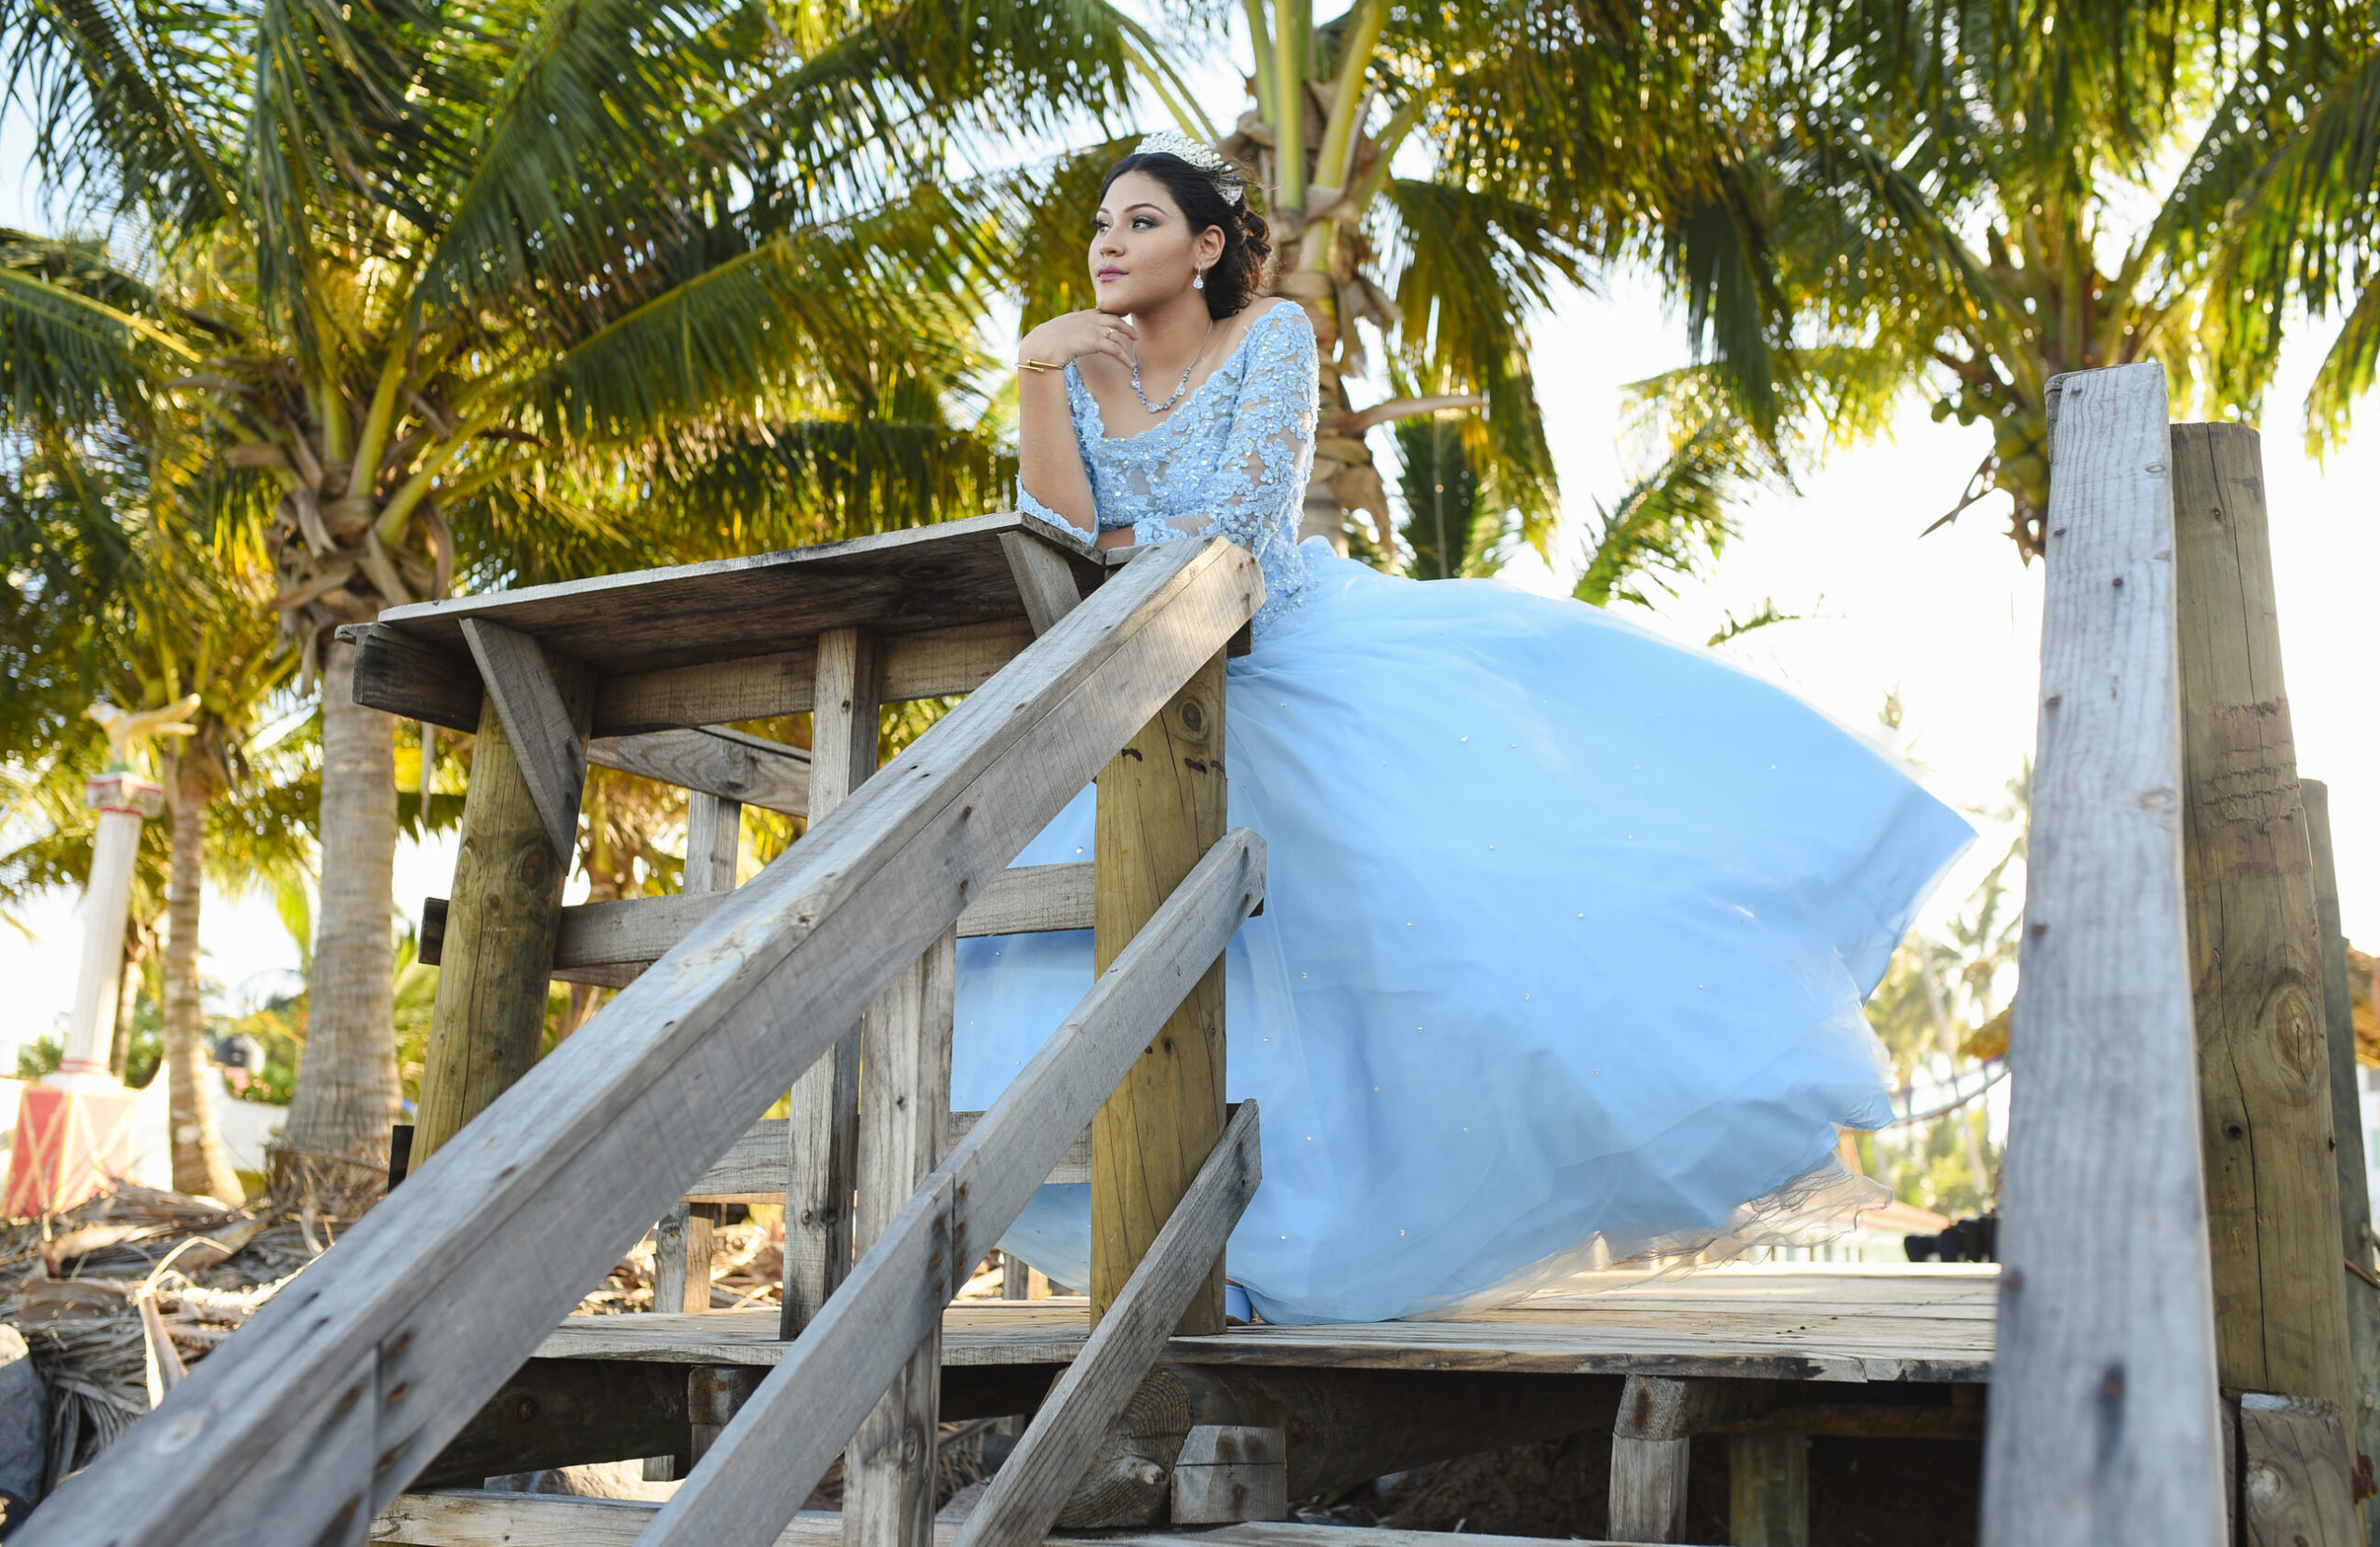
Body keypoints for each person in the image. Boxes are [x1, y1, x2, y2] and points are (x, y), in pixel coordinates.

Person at [954, 131, 1973, 1326]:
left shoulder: (1270, 334)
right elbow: (1053, 534)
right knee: (1060, 966)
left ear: (1207, 245)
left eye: (1141, 222)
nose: (1109, 243)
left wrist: (1114, 545)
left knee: (1436, 948)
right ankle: (1223, 1254)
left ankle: (1332, 1246)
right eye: (1102, 224)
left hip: (1288, 656)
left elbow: (1243, 521)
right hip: (1146, 693)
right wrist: (1037, 370)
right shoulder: (1078, 369)